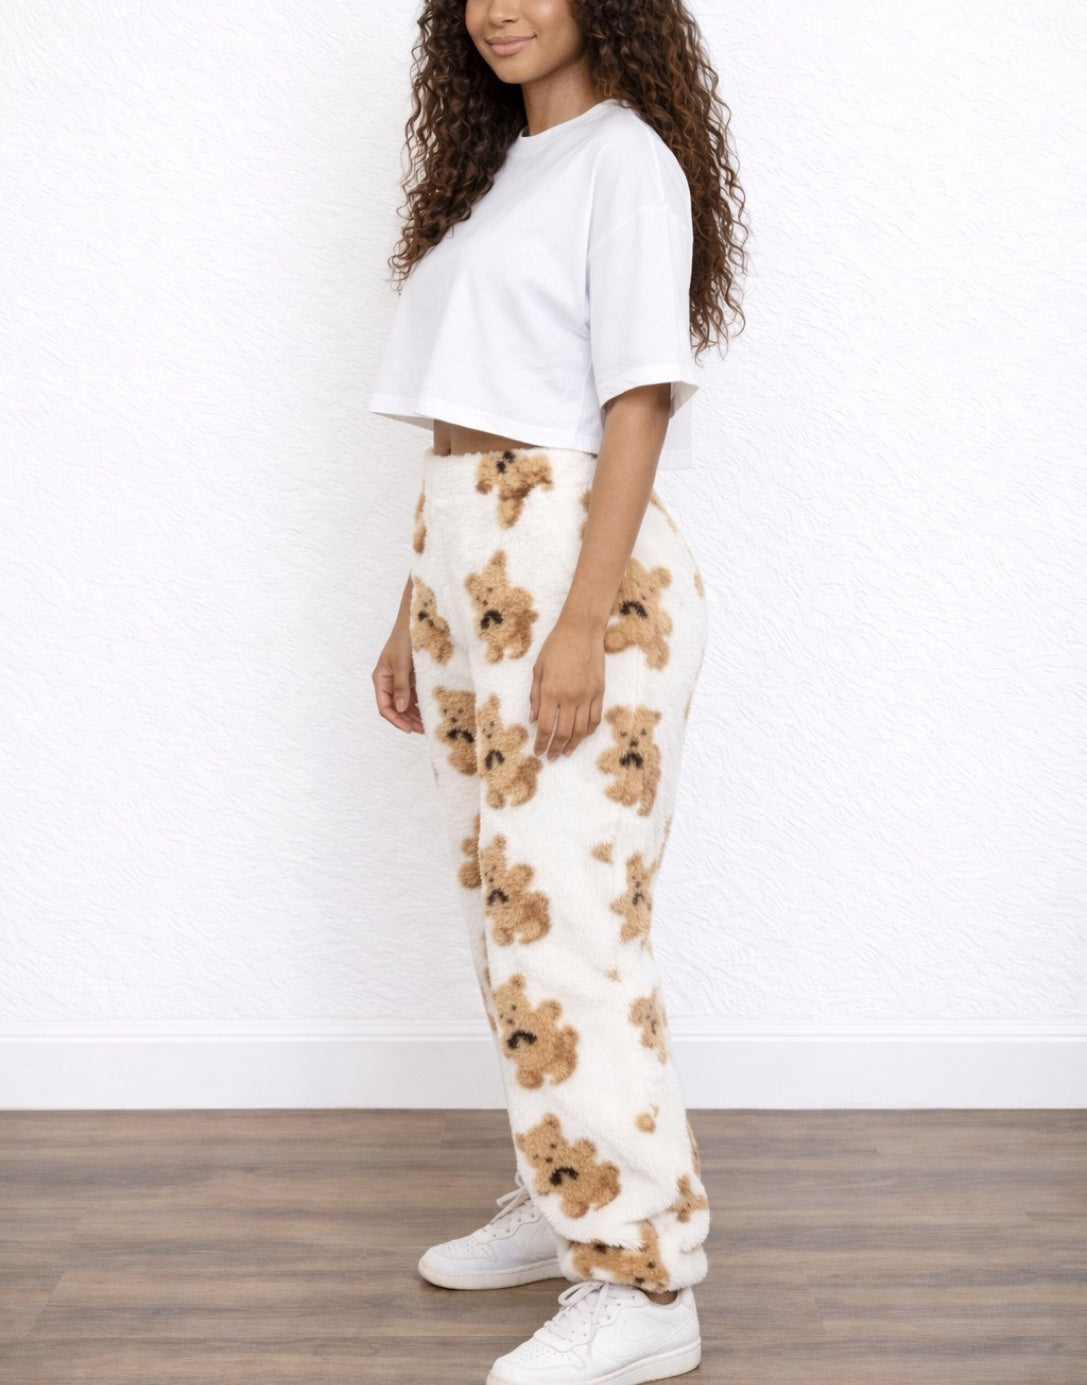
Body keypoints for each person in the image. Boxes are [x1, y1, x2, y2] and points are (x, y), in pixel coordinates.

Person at [369, 2, 748, 1380]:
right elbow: (464, 409)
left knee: (573, 927)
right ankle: (561, 1182)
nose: (500, 6)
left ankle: (645, 1285)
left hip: (579, 565)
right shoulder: (494, 174)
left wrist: (582, 618)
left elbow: (635, 399)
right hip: (467, 553)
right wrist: (414, 607)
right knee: (503, 910)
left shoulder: (626, 159)